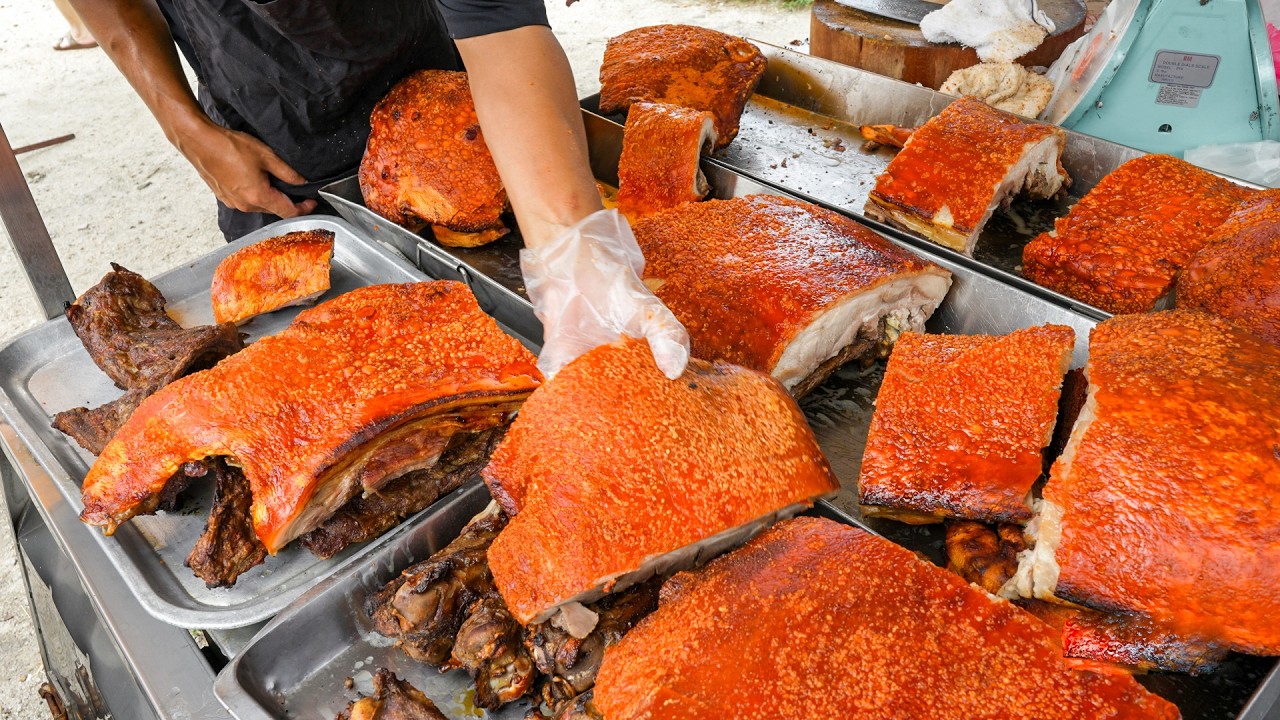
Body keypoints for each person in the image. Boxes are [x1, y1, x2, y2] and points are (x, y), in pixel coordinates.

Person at [68, 0, 689, 380]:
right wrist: (188, 130)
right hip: (267, 111)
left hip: (426, 69)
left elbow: (499, 26)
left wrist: (571, 252)